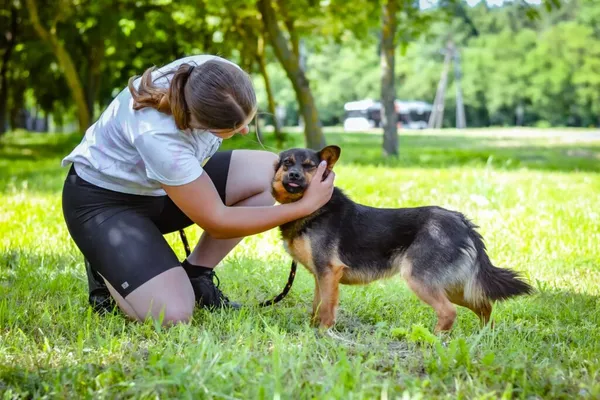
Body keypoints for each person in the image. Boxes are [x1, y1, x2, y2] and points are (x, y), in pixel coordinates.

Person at [61, 54, 335, 325]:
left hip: (163, 192)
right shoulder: (158, 135)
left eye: (247, 119)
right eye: (233, 127)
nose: (244, 131)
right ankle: (104, 261)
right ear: (200, 123)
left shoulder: (220, 74)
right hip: (106, 203)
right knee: (173, 314)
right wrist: (303, 207)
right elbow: (218, 222)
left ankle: (196, 274)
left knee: (267, 174)